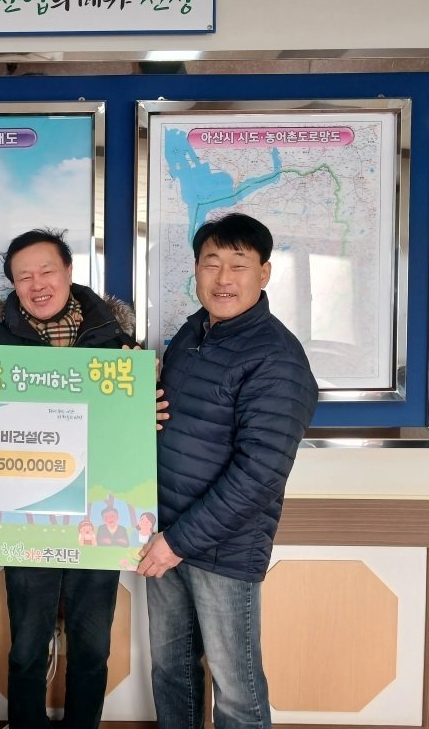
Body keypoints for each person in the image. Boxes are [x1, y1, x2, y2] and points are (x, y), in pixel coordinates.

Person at [137, 212, 318, 729]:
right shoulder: (193, 333)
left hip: (222, 549)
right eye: (211, 263)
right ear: (195, 270)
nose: (223, 278)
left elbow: (259, 473)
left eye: (238, 265)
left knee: (236, 691)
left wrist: (178, 541)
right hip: (164, 534)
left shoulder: (277, 358)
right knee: (171, 672)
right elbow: (171, 423)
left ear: (264, 273)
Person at [0, 228, 137, 729]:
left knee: (92, 645)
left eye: (47, 271)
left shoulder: (117, 342)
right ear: (13, 286)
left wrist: (145, 413)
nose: (37, 284)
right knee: (26, 645)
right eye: (24, 277)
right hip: (23, 519)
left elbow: (134, 434)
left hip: (98, 516)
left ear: (68, 271)